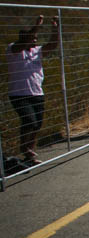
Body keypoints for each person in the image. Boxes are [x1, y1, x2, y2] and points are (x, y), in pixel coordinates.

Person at [6, 15, 61, 164]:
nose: (35, 40)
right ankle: (24, 148)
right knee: (29, 120)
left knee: (37, 124)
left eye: (36, 38)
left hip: (37, 93)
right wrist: (37, 25)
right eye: (33, 38)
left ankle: (30, 153)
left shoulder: (37, 50)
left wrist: (55, 29)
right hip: (19, 94)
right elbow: (23, 43)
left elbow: (52, 45)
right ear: (24, 38)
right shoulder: (13, 49)